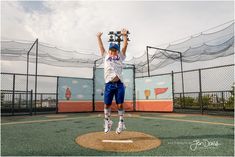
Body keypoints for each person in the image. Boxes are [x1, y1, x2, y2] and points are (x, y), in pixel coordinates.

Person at [96, 29, 128, 134]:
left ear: (117, 51)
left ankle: (121, 123)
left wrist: (124, 36)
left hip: (119, 85)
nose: (113, 51)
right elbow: (101, 48)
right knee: (106, 105)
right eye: (111, 50)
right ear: (109, 50)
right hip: (109, 84)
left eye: (115, 50)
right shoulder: (106, 56)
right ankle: (107, 122)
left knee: (120, 105)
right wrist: (99, 37)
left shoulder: (120, 57)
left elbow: (124, 47)